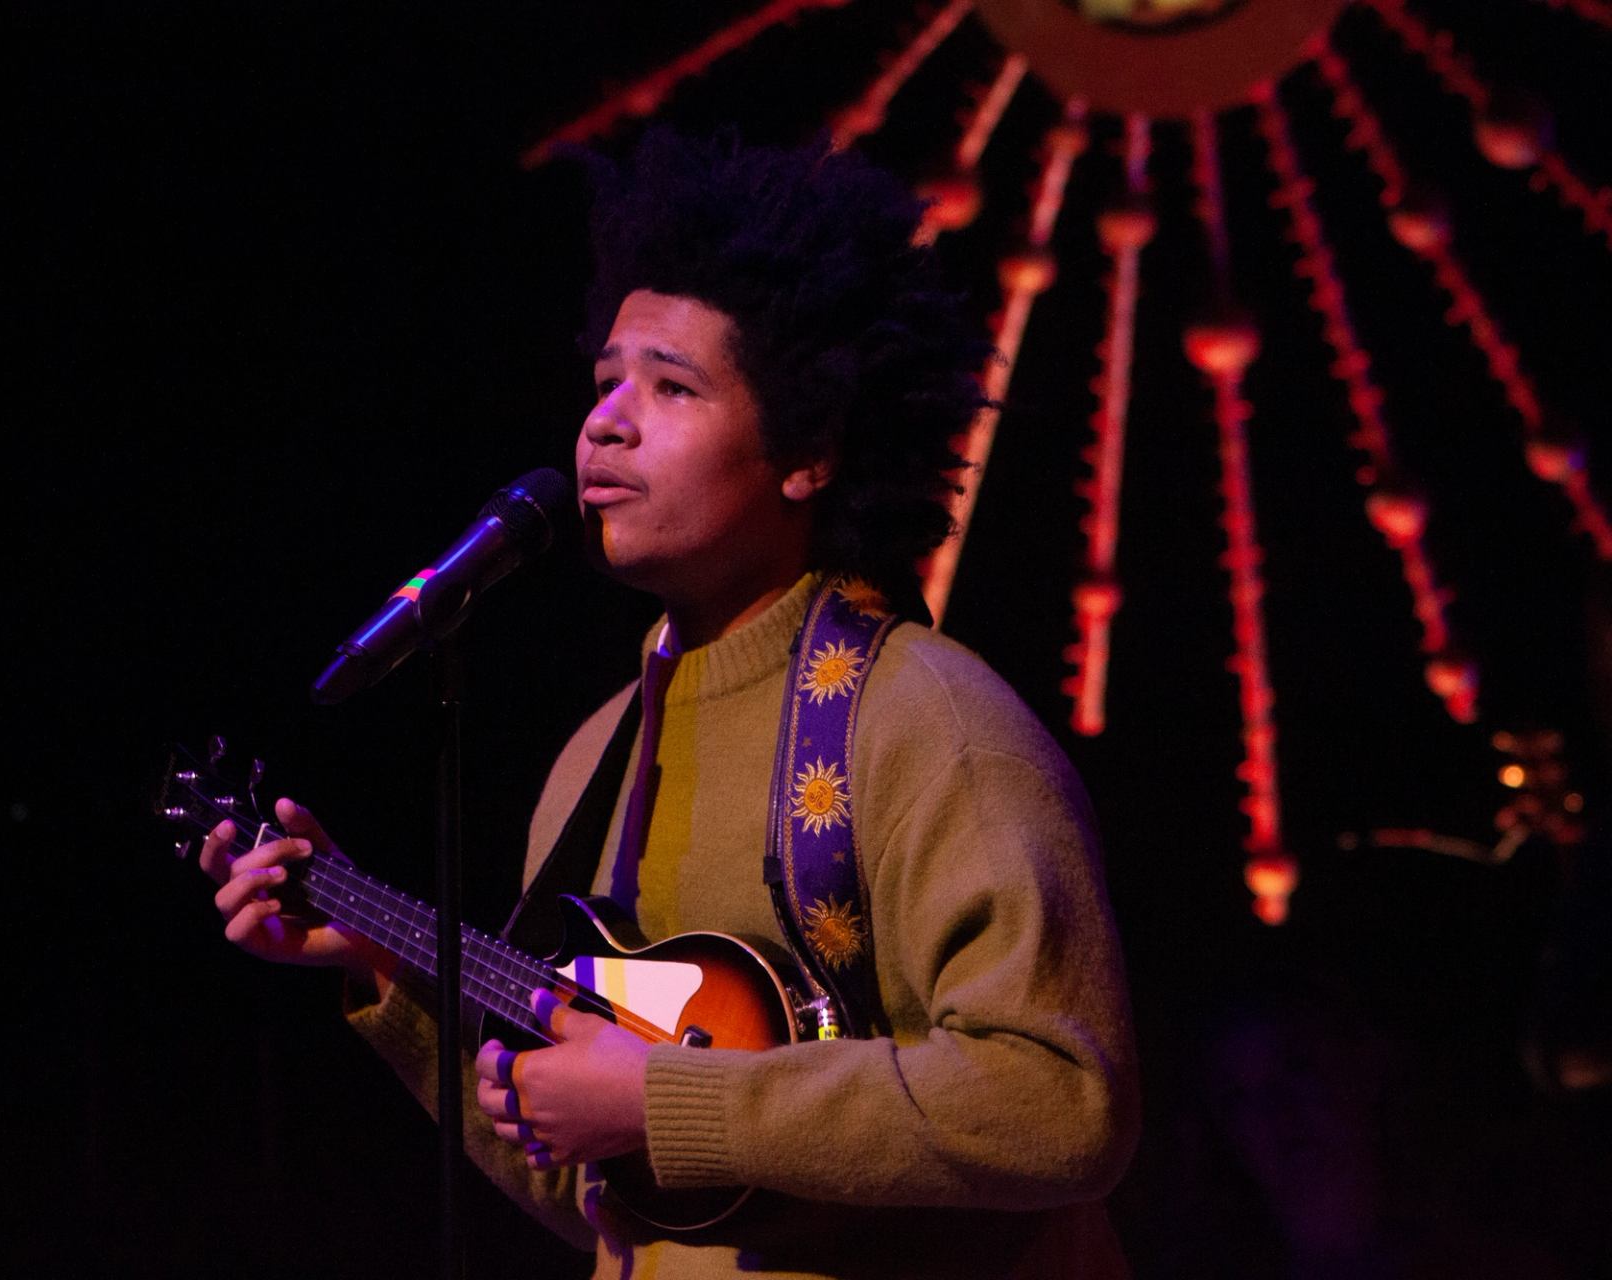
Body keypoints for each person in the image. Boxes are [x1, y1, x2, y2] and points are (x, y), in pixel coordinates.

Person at [198, 130, 1139, 1279]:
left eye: (672, 386)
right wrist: (390, 981)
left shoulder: (927, 720)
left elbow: (1060, 1100)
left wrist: (665, 1097)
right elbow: (622, 1202)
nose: (606, 422)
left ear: (808, 451)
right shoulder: (596, 757)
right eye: (604, 385)